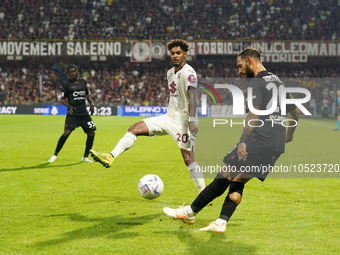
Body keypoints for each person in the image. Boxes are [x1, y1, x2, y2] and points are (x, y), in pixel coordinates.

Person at [163, 46, 300, 233]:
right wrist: (288, 135)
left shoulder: (257, 83)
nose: (240, 71)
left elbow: (254, 113)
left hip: (258, 139)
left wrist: (244, 140)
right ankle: (221, 222)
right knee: (239, 181)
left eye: (240, 66)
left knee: (224, 175)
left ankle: (189, 211)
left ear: (250, 61)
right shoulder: (278, 81)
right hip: (275, 145)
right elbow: (295, 111)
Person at [90, 39, 205, 193]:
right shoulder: (170, 72)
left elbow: (193, 97)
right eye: (172, 53)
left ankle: (204, 193)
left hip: (183, 121)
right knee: (134, 128)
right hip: (168, 117)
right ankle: (110, 156)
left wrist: (191, 121)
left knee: (188, 159)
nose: (175, 56)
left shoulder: (189, 73)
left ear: (185, 54)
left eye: (178, 53)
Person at [48, 64, 96, 163]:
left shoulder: (83, 82)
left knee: (91, 133)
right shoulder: (66, 84)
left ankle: (85, 157)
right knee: (66, 133)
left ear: (77, 72)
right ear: (69, 74)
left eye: (74, 71)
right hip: (73, 113)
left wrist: (91, 103)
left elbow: (87, 94)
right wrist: (69, 106)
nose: (73, 73)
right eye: (70, 72)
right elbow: (62, 99)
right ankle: (55, 154)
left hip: (83, 113)